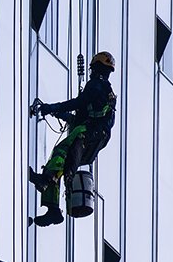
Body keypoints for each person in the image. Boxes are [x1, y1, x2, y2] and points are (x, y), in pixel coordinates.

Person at [27, 50, 117, 226]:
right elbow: (80, 116)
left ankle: (45, 181)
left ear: (97, 68)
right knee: (60, 162)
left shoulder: (96, 85)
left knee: (60, 152)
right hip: (96, 139)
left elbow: (78, 103)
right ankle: (53, 209)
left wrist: (52, 107)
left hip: (89, 133)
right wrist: (57, 113)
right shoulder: (106, 93)